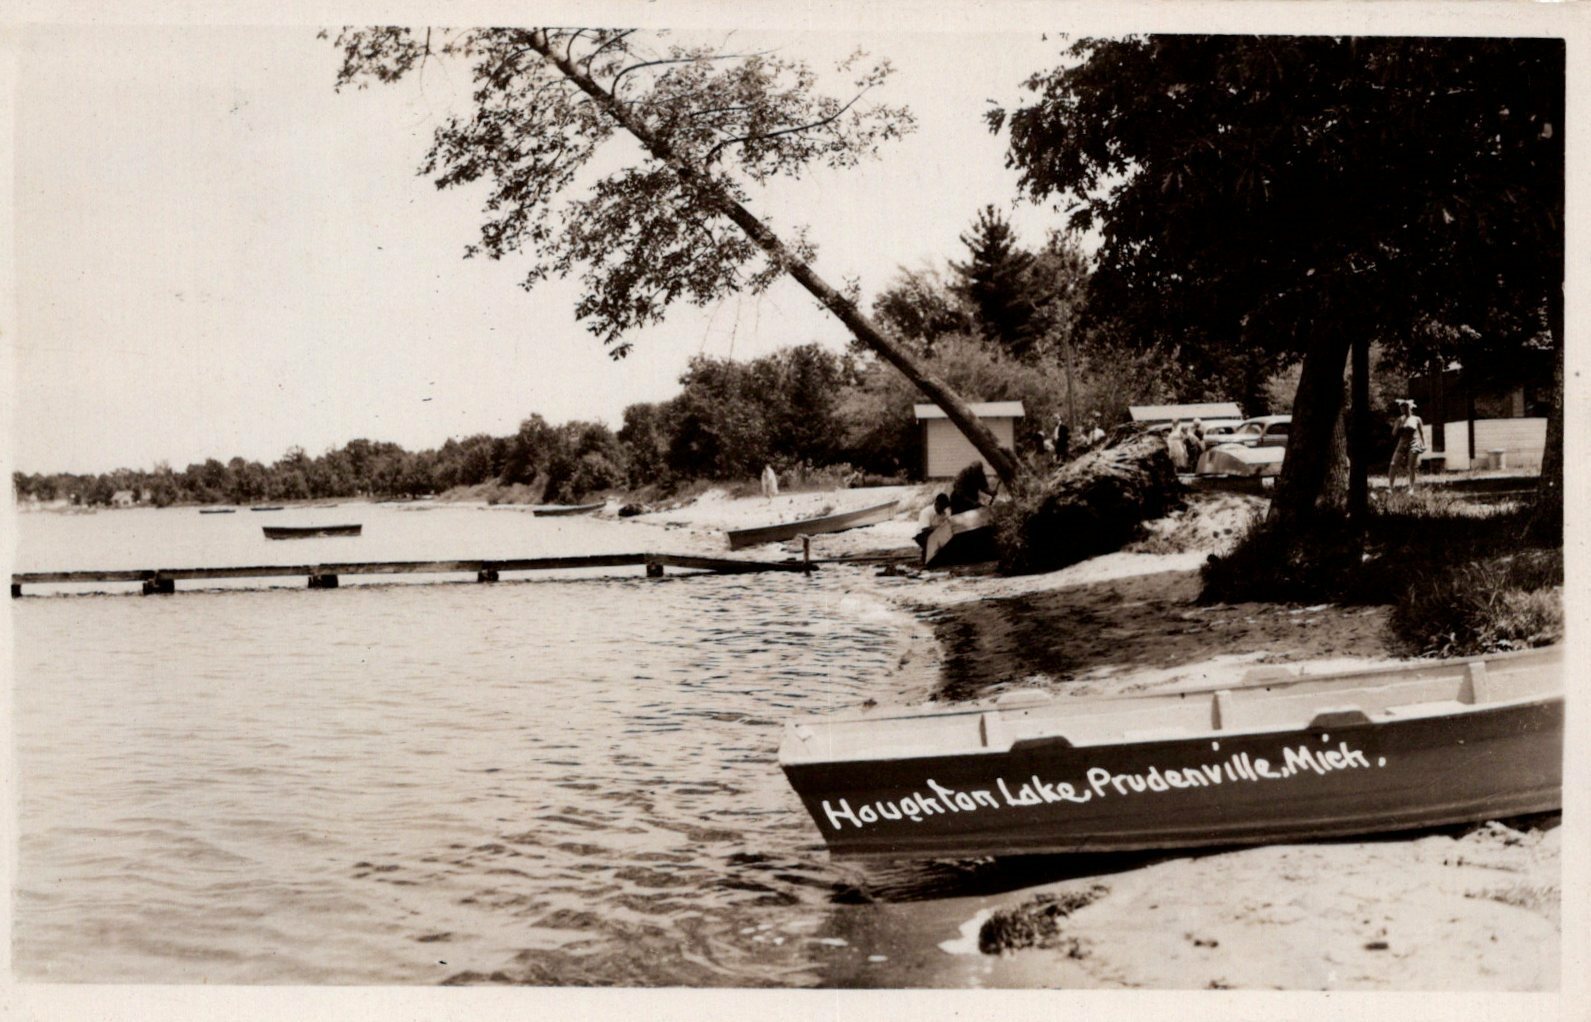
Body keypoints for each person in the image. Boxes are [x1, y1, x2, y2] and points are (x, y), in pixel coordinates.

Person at [1388, 399, 1426, 491]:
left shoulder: (1417, 419)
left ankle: (1411, 489)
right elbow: (1393, 434)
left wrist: (1424, 444)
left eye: (1403, 407)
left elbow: (1421, 433)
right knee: (1393, 464)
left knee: (1411, 466)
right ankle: (1390, 488)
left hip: (1414, 443)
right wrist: (1396, 425)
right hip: (1402, 443)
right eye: (1401, 408)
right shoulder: (1400, 419)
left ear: (1409, 408)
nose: (1402, 410)